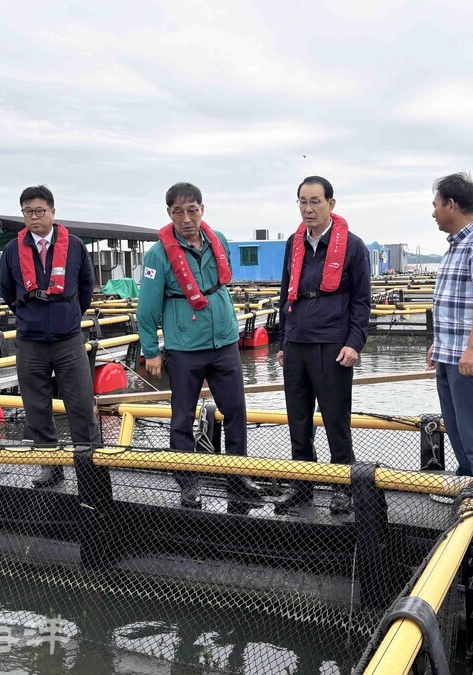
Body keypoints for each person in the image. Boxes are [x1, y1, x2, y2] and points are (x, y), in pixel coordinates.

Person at [137, 182, 261, 510]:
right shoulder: (158, 253)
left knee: (236, 411)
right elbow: (147, 307)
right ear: (169, 214)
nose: (187, 218)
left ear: (202, 209)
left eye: (192, 210)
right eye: (178, 211)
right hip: (183, 346)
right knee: (181, 417)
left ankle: (238, 475)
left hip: (224, 342)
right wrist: (151, 350)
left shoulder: (217, 239)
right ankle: (188, 483)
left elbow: (224, 279)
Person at [275, 176, 371, 514]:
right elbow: (286, 292)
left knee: (335, 420)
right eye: (302, 201)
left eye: (315, 201)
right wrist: (284, 340)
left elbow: (361, 301)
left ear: (331, 203)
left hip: (332, 344)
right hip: (297, 343)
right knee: (297, 420)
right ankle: (302, 486)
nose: (308, 208)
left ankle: (342, 486)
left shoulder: (353, 246)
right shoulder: (293, 242)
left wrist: (354, 343)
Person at [0, 185, 101, 490]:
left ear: (53, 212)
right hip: (30, 340)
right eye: (27, 211)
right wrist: (29, 313)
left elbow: (86, 288)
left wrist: (67, 314)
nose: (34, 217)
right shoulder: (11, 250)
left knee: (81, 404)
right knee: (36, 406)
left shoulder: (76, 247)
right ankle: (50, 465)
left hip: (68, 339)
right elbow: (6, 289)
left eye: (39, 211)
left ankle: (89, 467)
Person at [424, 173, 473, 501]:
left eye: (436, 205)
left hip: (467, 360)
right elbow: (454, 304)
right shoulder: (456, 246)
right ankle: (467, 485)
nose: (433, 212)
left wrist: (472, 350)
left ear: (451, 205)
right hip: (449, 354)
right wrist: (438, 345)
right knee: (456, 430)